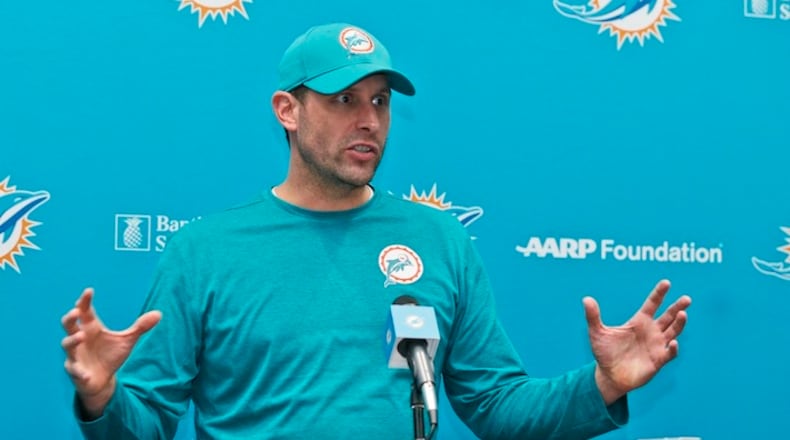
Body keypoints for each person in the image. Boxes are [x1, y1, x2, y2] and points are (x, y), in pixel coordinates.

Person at [61, 22, 691, 439]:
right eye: (343, 100)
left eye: (381, 101)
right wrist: (102, 398)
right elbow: (145, 421)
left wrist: (602, 384)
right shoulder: (202, 252)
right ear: (287, 110)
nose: (368, 120)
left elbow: (497, 405)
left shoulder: (440, 241)